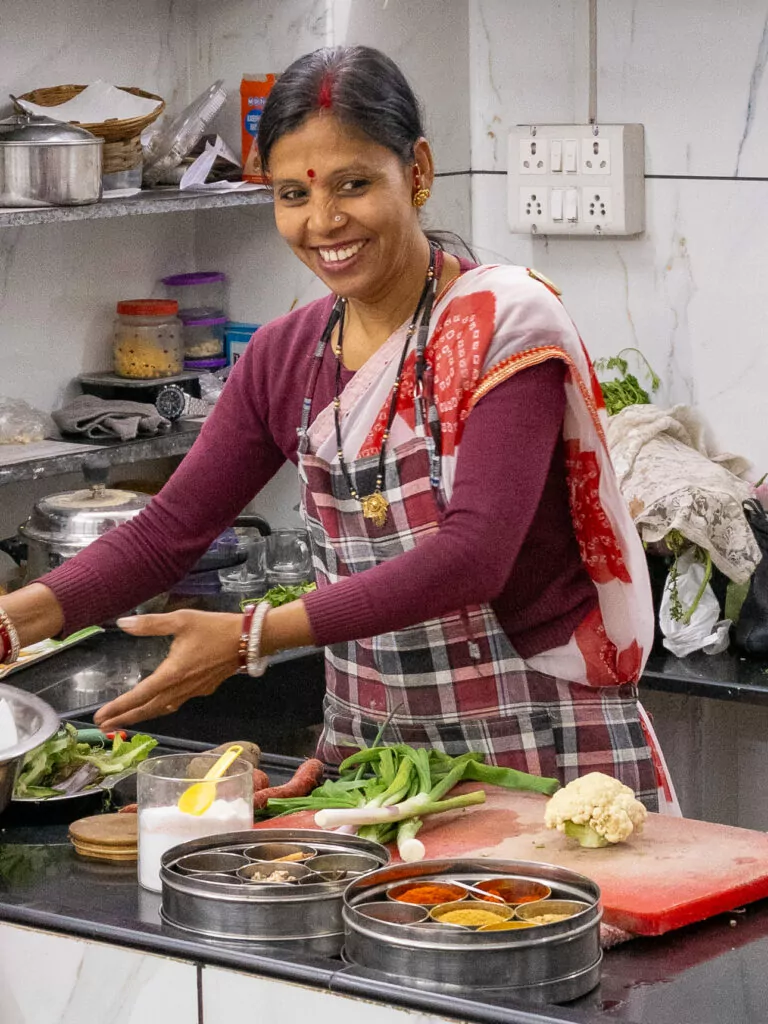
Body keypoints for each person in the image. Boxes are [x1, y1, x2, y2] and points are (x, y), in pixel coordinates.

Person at [0, 46, 677, 813]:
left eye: (354, 184)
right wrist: (10, 627)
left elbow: (474, 558)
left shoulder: (503, 324)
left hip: (547, 758)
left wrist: (254, 635)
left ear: (416, 170)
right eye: (293, 194)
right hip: (380, 772)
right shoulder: (285, 357)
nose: (323, 223)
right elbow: (167, 533)